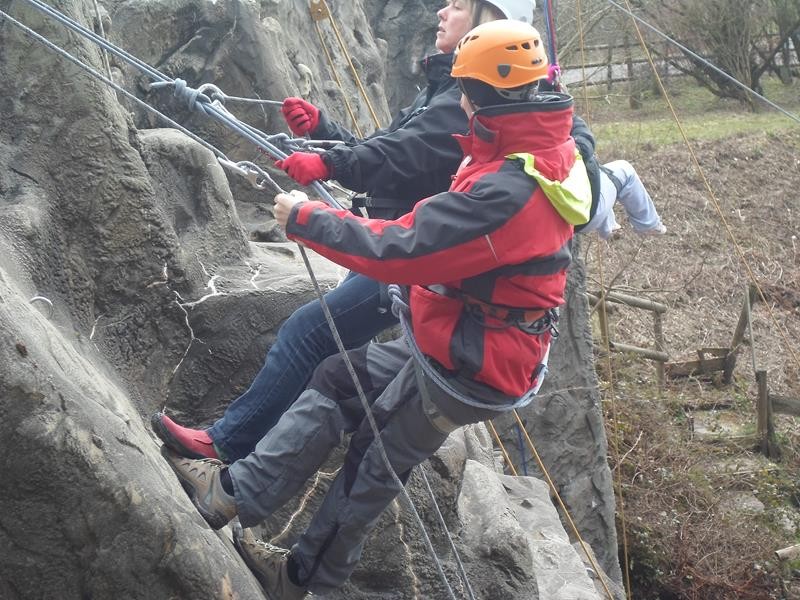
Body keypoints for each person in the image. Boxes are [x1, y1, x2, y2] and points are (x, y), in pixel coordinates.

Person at [160, 20, 591, 599]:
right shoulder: (534, 148)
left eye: (464, 89)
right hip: (470, 346)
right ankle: (234, 492)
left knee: (371, 461)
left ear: (484, 96)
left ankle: (301, 577)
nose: (458, 99)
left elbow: (405, 247)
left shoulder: (510, 189)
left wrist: (307, 219)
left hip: (468, 366)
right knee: (340, 380)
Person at [578, 159, 666, 239]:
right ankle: (649, 225)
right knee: (625, 169)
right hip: (579, 218)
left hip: (569, 221)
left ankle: (610, 227)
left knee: (592, 171)